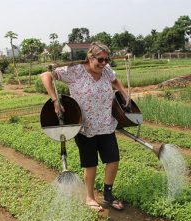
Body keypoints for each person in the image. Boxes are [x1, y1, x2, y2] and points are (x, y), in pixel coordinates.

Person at [41, 41, 129, 211]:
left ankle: (108, 195)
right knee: (91, 164)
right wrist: (55, 100)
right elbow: (46, 76)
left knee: (113, 160)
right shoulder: (75, 71)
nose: (103, 63)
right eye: (100, 60)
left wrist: (124, 94)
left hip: (106, 124)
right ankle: (90, 197)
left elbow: (115, 80)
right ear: (90, 57)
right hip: (85, 127)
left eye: (106, 59)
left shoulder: (106, 70)